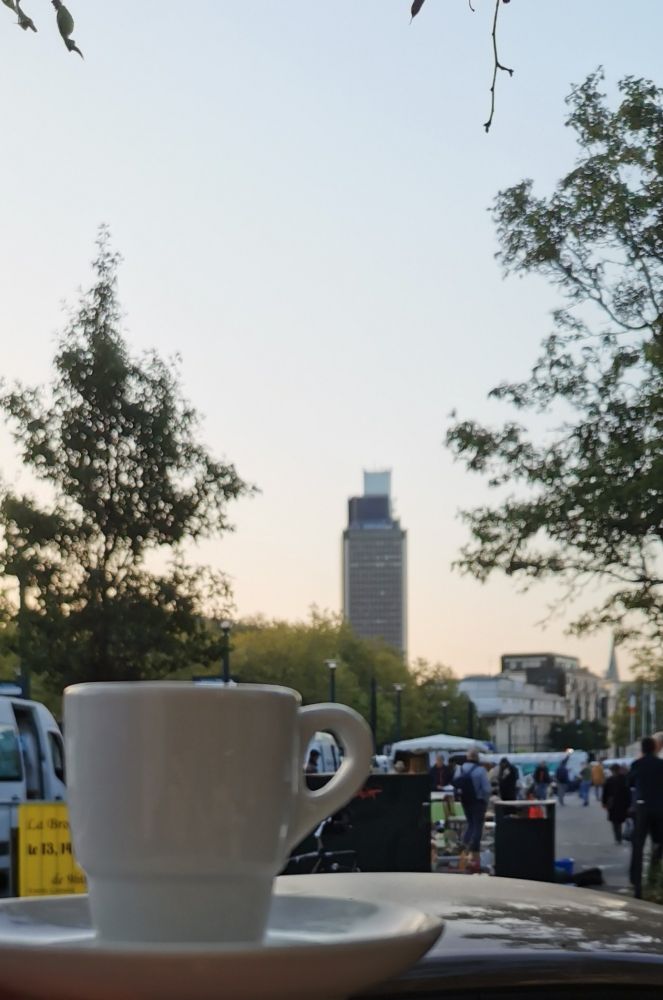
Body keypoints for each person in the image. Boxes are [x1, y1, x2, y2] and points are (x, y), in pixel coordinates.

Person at [629, 736, 663, 882]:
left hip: (642, 807)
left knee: (638, 844)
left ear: (642, 749)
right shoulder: (660, 764)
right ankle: (654, 874)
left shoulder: (637, 764)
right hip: (659, 808)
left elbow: (629, 782)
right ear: (655, 748)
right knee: (659, 841)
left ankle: (635, 878)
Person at [453, 748, 491, 864]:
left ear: (468, 757)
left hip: (465, 801)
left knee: (470, 823)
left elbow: (456, 783)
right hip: (478, 801)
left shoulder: (460, 769)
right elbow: (486, 789)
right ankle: (474, 850)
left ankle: (464, 845)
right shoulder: (481, 770)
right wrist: (486, 800)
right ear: (477, 757)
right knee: (478, 826)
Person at [602, 763, 630, 844]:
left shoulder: (609, 780)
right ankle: (622, 836)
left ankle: (618, 838)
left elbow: (605, 793)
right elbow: (628, 792)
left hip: (613, 803)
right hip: (623, 803)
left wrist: (604, 803)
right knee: (624, 820)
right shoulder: (624, 779)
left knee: (615, 823)